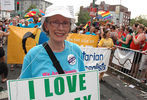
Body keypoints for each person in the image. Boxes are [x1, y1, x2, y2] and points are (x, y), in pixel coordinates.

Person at [20, 5, 85, 79]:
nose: (60, 28)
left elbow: (83, 81)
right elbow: (23, 88)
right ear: (46, 26)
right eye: (55, 22)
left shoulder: (76, 50)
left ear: (69, 27)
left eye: (65, 23)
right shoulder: (32, 55)